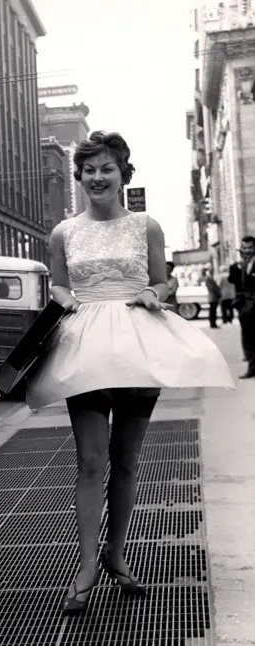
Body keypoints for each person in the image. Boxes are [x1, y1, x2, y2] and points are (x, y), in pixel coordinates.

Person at [26, 131, 234, 615]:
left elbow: (164, 280)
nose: (97, 177)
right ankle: (85, 565)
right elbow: (58, 286)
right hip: (87, 350)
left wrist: (153, 294)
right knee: (90, 461)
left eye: (107, 169)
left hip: (139, 345)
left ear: (122, 175)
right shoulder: (63, 232)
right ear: (79, 176)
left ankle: (116, 555)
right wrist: (65, 298)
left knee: (128, 460)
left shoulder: (146, 226)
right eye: (89, 169)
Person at [229, 235, 255, 378]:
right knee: (248, 337)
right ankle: (252, 366)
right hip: (245, 308)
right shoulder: (237, 266)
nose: (247, 251)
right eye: (244, 248)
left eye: (250, 248)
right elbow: (232, 280)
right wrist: (239, 268)